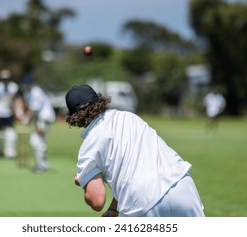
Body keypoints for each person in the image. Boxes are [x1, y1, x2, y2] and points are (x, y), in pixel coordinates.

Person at [65, 84, 204, 217]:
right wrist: (114, 208)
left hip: (142, 203)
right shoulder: (129, 117)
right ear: (99, 101)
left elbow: (97, 201)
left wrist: (83, 181)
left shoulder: (88, 147)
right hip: (181, 184)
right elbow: (134, 170)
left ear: (73, 117)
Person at [21, 74, 56, 173]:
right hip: (41, 118)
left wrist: (26, 119)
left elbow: (33, 109)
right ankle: (43, 165)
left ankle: (41, 165)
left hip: (44, 118)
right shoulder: (29, 92)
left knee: (36, 140)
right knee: (39, 140)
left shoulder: (36, 92)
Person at [0, 69, 20, 158]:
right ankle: (0, 149)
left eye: (6, 79)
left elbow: (16, 98)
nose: (5, 81)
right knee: (0, 133)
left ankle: (10, 151)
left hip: (10, 111)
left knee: (11, 131)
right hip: (0, 111)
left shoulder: (13, 86)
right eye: (3, 79)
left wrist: (16, 110)